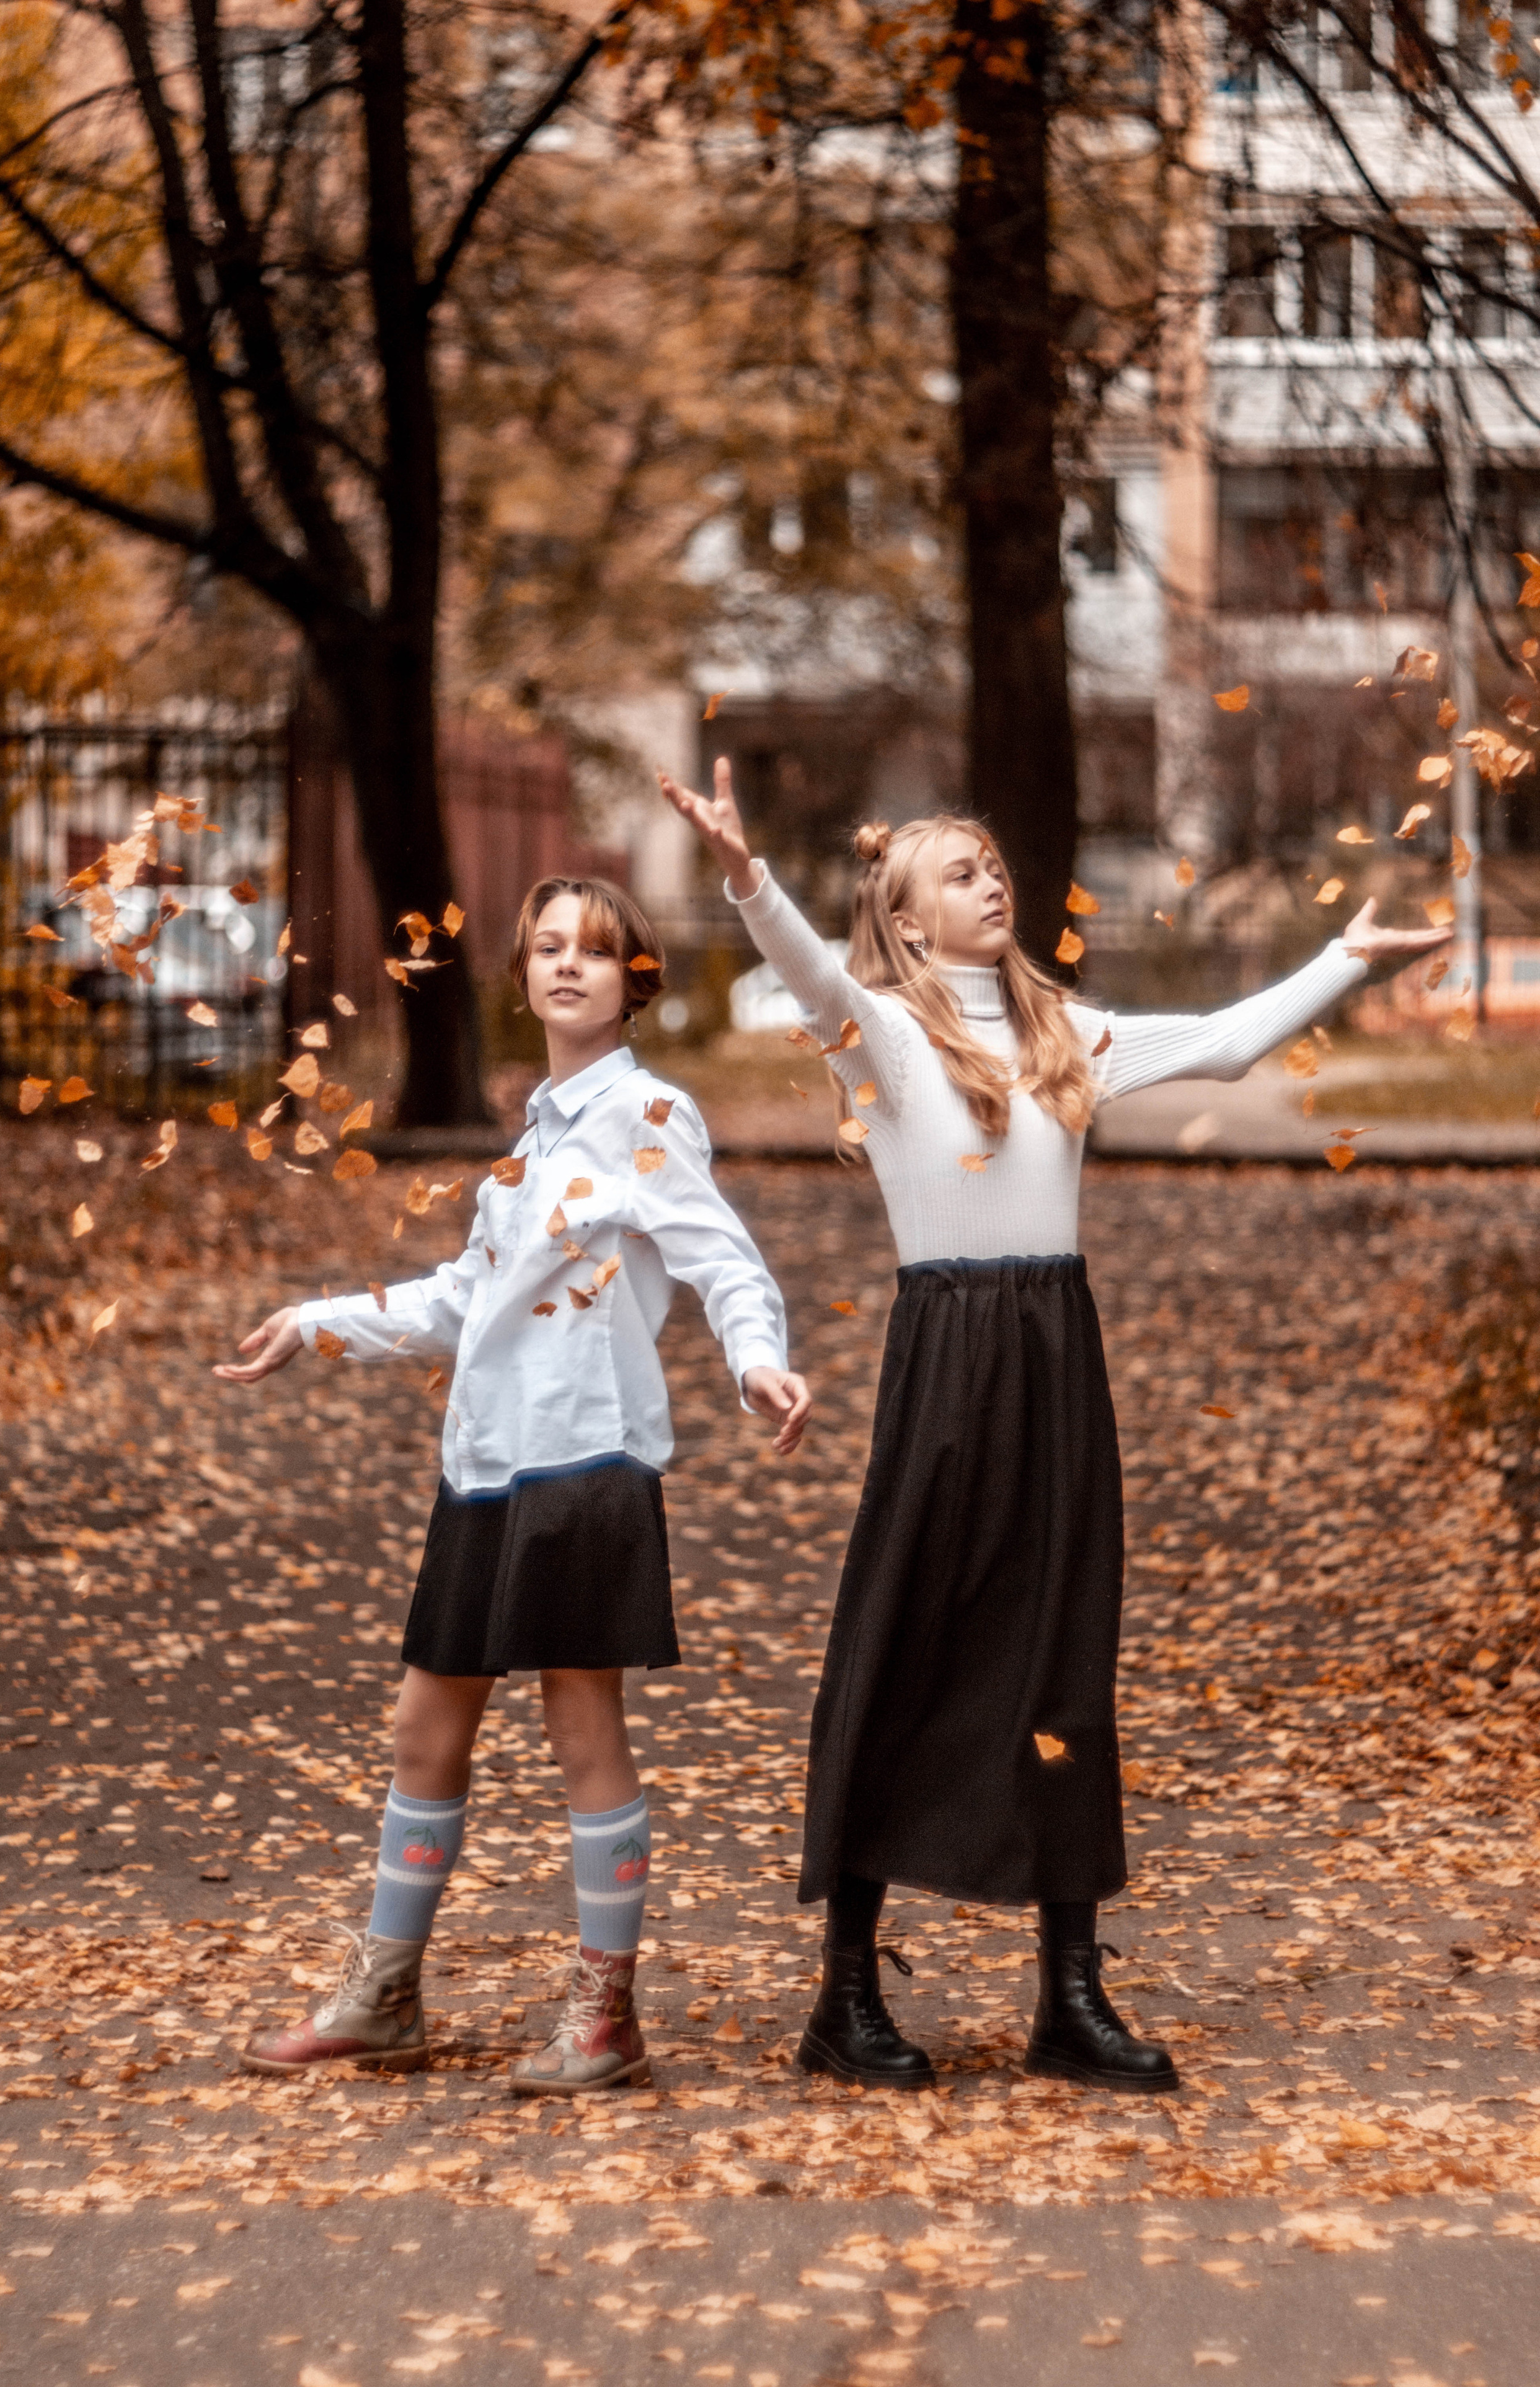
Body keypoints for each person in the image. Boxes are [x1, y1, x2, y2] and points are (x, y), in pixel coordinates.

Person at [660, 762, 1449, 2094]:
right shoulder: (883, 1034)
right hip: (949, 1358)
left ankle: (1067, 1998)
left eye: (991, 864)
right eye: (957, 872)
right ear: (906, 920)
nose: (991, 881)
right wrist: (744, 872)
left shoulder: (1062, 1034)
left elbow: (1224, 1039)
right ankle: (842, 1997)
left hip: (1054, 1354)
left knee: (1061, 1658)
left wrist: (1343, 958)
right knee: (908, 1642)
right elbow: (804, 969)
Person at [215, 874, 810, 2093]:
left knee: (582, 1726)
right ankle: (383, 1995)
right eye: (547, 947)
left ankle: (605, 2017)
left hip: (585, 1463)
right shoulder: (531, 1134)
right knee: (423, 1728)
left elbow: (722, 1262)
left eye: (595, 951)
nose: (568, 967)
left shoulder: (648, 1114)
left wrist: (759, 1361)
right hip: (484, 1466)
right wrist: (315, 1320)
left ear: (633, 979)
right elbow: (461, 1296)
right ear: (524, 972)